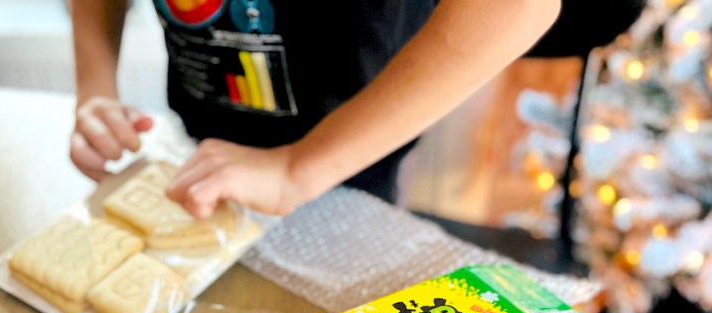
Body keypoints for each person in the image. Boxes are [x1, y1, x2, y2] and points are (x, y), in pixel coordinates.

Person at [70, 0, 563, 219]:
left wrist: (295, 169)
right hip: (202, 129)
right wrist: (96, 86)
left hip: (351, 159)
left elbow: (518, 6)